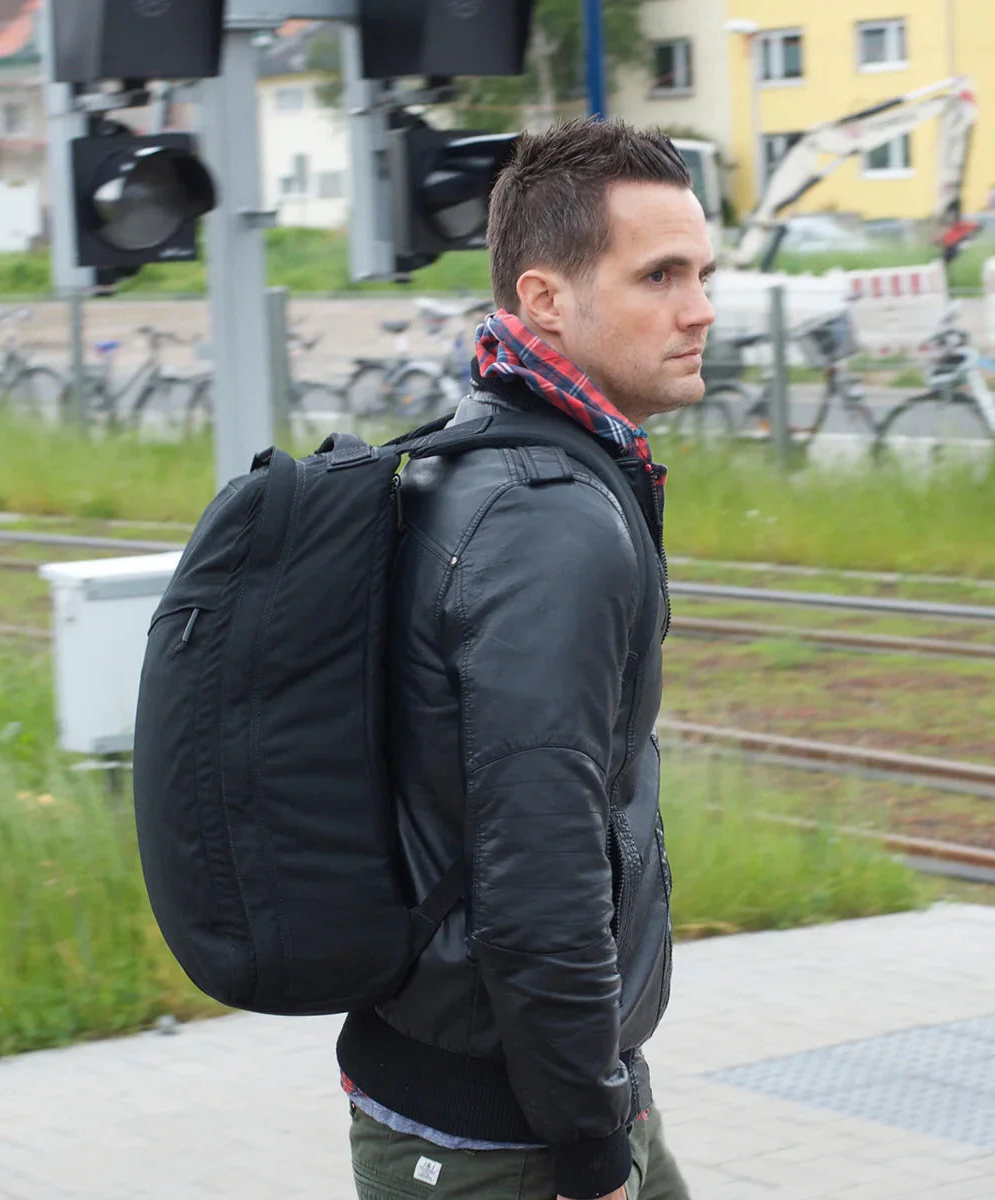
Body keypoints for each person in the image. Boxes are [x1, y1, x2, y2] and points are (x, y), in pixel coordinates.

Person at [337, 118, 716, 1200]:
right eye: (660, 275)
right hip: (507, 1134)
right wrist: (593, 1147)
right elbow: (538, 872)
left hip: (534, 1084)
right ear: (546, 300)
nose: (700, 309)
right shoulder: (552, 521)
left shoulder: (479, 454)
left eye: (702, 272)